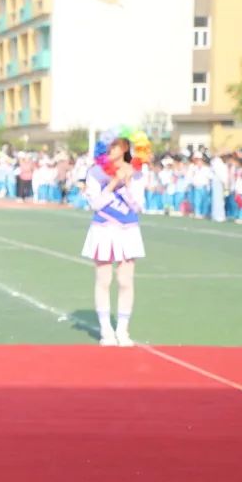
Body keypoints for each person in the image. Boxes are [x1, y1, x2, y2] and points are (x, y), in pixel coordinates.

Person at [82, 129, 149, 347]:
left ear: (124, 148)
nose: (110, 151)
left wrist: (128, 183)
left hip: (127, 229)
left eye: (115, 146)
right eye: (107, 147)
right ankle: (106, 330)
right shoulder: (95, 172)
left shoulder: (137, 172)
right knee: (103, 279)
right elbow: (95, 204)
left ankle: (123, 329)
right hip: (103, 228)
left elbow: (139, 206)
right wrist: (112, 183)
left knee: (125, 280)